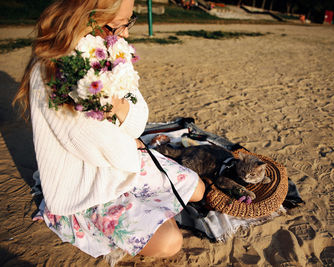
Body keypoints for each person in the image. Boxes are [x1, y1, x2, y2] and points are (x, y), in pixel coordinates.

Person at [13, 0, 205, 262]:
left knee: (198, 189)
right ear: (85, 17)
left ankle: (148, 208)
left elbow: (139, 118)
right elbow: (92, 142)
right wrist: (130, 141)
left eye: (129, 22)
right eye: (118, 25)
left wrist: (117, 107)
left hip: (120, 157)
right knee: (169, 242)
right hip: (85, 182)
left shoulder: (108, 48)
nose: (125, 33)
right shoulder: (53, 68)